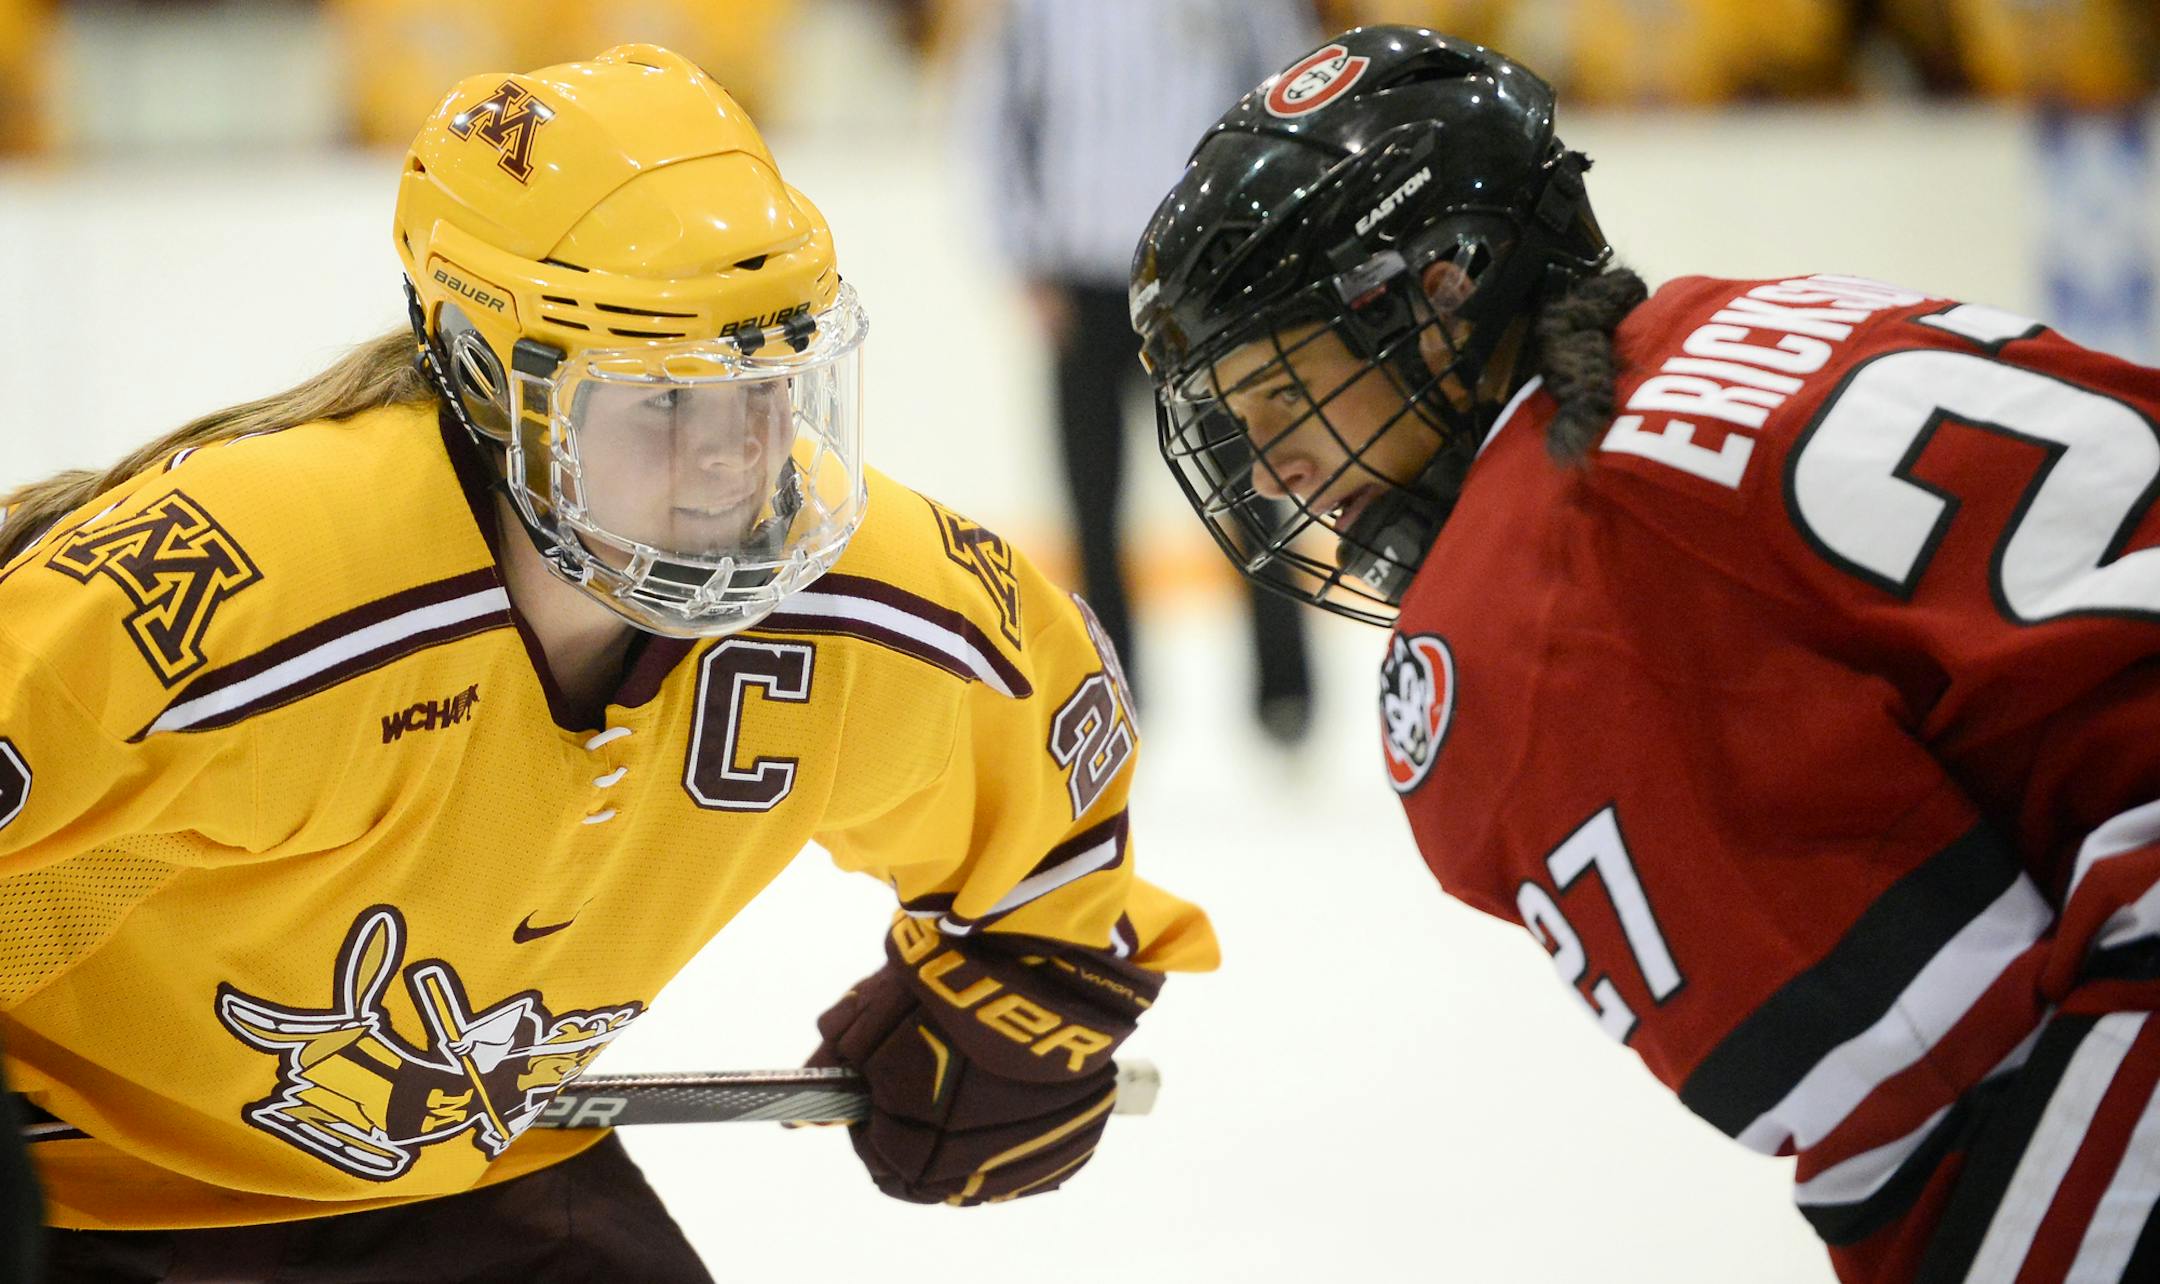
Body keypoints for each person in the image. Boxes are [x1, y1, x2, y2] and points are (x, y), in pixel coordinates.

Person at [0, 44, 1214, 1282]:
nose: (742, 454)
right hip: (79, 1188)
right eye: (665, 401)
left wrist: (1028, 993)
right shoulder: (251, 583)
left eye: (772, 386)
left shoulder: (866, 597)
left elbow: (1041, 721)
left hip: (477, 1171)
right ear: (486, 376)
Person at [1132, 25, 2160, 1284]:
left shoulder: (1523, 609)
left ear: (1444, 288)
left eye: (1284, 390)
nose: (1270, 463)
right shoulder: (1724, 320)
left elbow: (1935, 1109)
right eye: (1238, 422)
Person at [969, 0, 1317, 739]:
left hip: (1204, 275)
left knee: (1251, 487)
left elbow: (1283, 99)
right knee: (1093, 500)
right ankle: (1116, 684)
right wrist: (1024, 257)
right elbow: (995, 120)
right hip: (1083, 279)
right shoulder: (1038, 13)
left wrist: (1263, 249)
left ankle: (1285, 691)